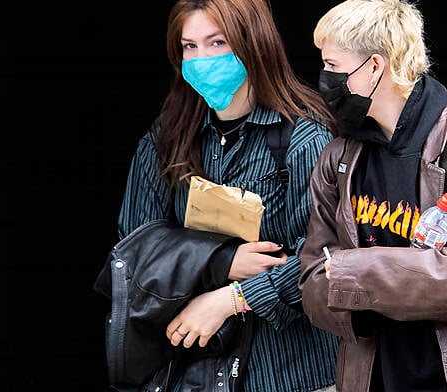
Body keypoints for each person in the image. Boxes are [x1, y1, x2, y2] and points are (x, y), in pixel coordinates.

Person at [298, 1, 447, 391]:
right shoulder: (338, 158)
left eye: (333, 66)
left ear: (375, 67)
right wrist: (354, 300)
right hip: (372, 376)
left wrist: (353, 274)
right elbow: (311, 279)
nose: (324, 78)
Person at [111, 0, 339, 390]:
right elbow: (134, 247)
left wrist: (230, 299)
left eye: (217, 43)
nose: (202, 59)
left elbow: (325, 259)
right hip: (193, 372)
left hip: (291, 371)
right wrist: (219, 261)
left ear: (254, 43)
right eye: (190, 47)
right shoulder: (166, 139)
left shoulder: (305, 138)